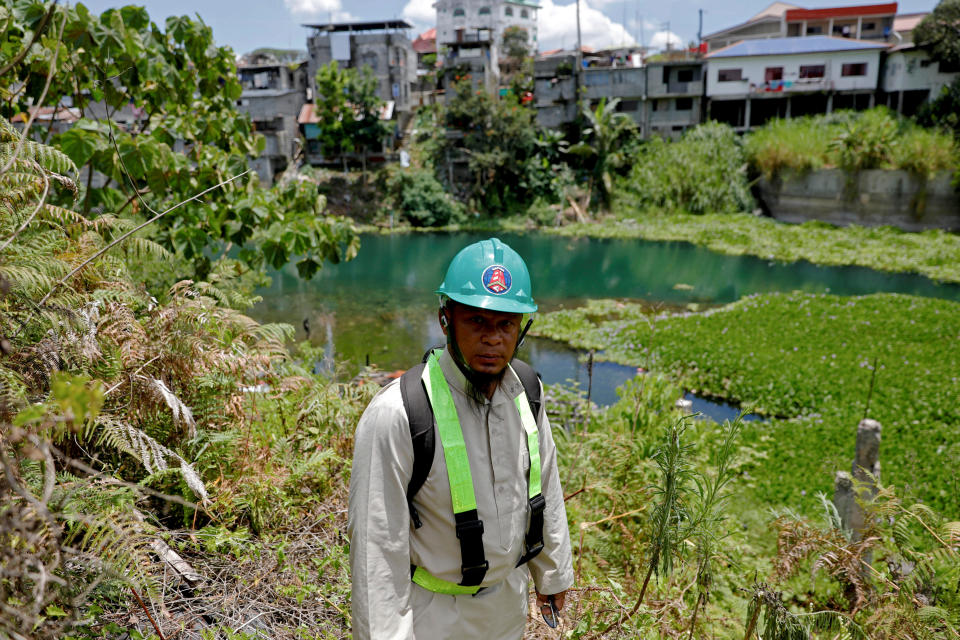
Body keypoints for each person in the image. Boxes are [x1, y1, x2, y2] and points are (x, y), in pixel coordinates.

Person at [349, 238, 574, 639]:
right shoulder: (399, 415)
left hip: (507, 605)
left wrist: (553, 574)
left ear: (523, 327)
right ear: (445, 320)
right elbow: (376, 550)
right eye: (477, 322)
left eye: (507, 324)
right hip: (433, 616)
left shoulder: (527, 391)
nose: (493, 339)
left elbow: (546, 484)